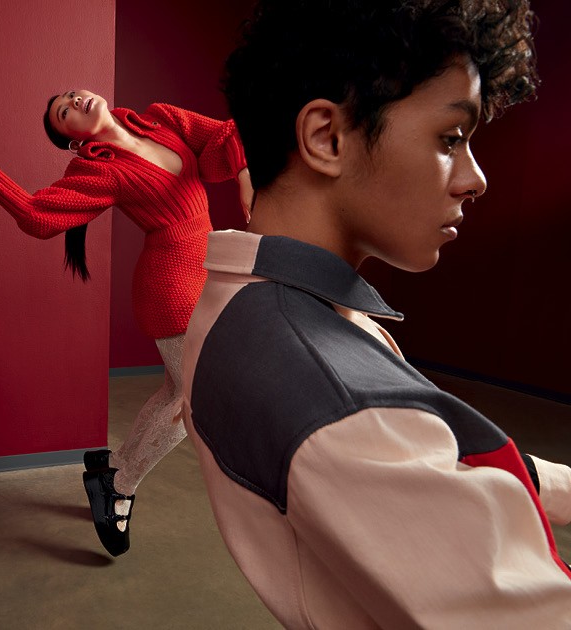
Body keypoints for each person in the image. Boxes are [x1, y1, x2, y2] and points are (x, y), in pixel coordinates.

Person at [181, 0, 571, 626]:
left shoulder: (257, 299)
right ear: (327, 138)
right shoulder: (331, 392)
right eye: (451, 139)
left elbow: (440, 458)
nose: (475, 180)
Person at [0, 92, 251, 556]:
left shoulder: (160, 119)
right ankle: (119, 484)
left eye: (71, 95)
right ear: (72, 139)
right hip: (171, 283)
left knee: (176, 390)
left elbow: (226, 136)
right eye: (64, 112)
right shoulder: (97, 170)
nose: (75, 100)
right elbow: (37, 217)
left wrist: (244, 175)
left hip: (208, 266)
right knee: (193, 400)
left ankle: (111, 467)